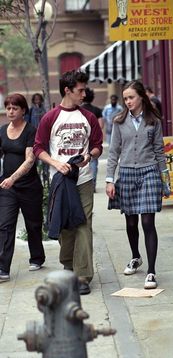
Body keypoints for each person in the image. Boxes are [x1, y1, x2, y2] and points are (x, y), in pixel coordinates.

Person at [33, 70, 103, 295]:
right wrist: (55, 163)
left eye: (84, 89)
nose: (84, 94)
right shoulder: (50, 118)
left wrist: (89, 156)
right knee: (66, 225)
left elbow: (97, 145)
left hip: (83, 180)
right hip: (60, 181)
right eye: (80, 90)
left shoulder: (89, 117)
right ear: (67, 90)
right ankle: (68, 264)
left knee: (84, 224)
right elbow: (38, 148)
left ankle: (83, 276)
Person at [106, 80, 171, 289]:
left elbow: (160, 151)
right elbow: (114, 152)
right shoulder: (118, 121)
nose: (128, 101)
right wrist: (109, 180)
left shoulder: (154, 121)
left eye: (131, 97)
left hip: (149, 172)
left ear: (141, 97)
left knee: (147, 223)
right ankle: (136, 257)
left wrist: (165, 180)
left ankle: (151, 271)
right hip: (126, 173)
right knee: (131, 223)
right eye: (125, 98)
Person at [0, 93, 45, 282]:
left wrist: (13, 178)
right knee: (4, 225)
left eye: (14, 108)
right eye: (8, 107)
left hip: (29, 186)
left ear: (23, 110)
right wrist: (7, 180)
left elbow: (29, 160)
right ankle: (3, 268)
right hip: (7, 188)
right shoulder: (2, 131)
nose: (10, 111)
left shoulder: (31, 130)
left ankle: (37, 257)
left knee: (33, 224)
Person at [81, 87, 104, 192]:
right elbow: (101, 125)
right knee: (93, 161)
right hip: (93, 139)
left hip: (81, 140)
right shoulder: (97, 110)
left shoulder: (79, 110)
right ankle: (93, 184)